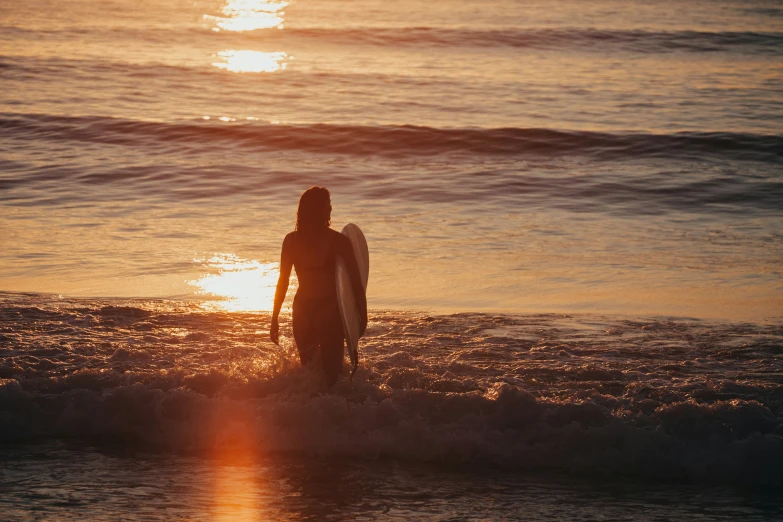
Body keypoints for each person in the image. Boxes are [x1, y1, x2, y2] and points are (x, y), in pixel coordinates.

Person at [270, 187, 367, 385]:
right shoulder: (339, 242)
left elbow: (283, 282)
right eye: (327, 205)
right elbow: (356, 283)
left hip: (302, 310)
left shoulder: (291, 241)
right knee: (333, 375)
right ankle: (331, 412)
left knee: (309, 374)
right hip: (328, 311)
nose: (331, 208)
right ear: (320, 209)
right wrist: (361, 316)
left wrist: (274, 317)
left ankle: (306, 411)